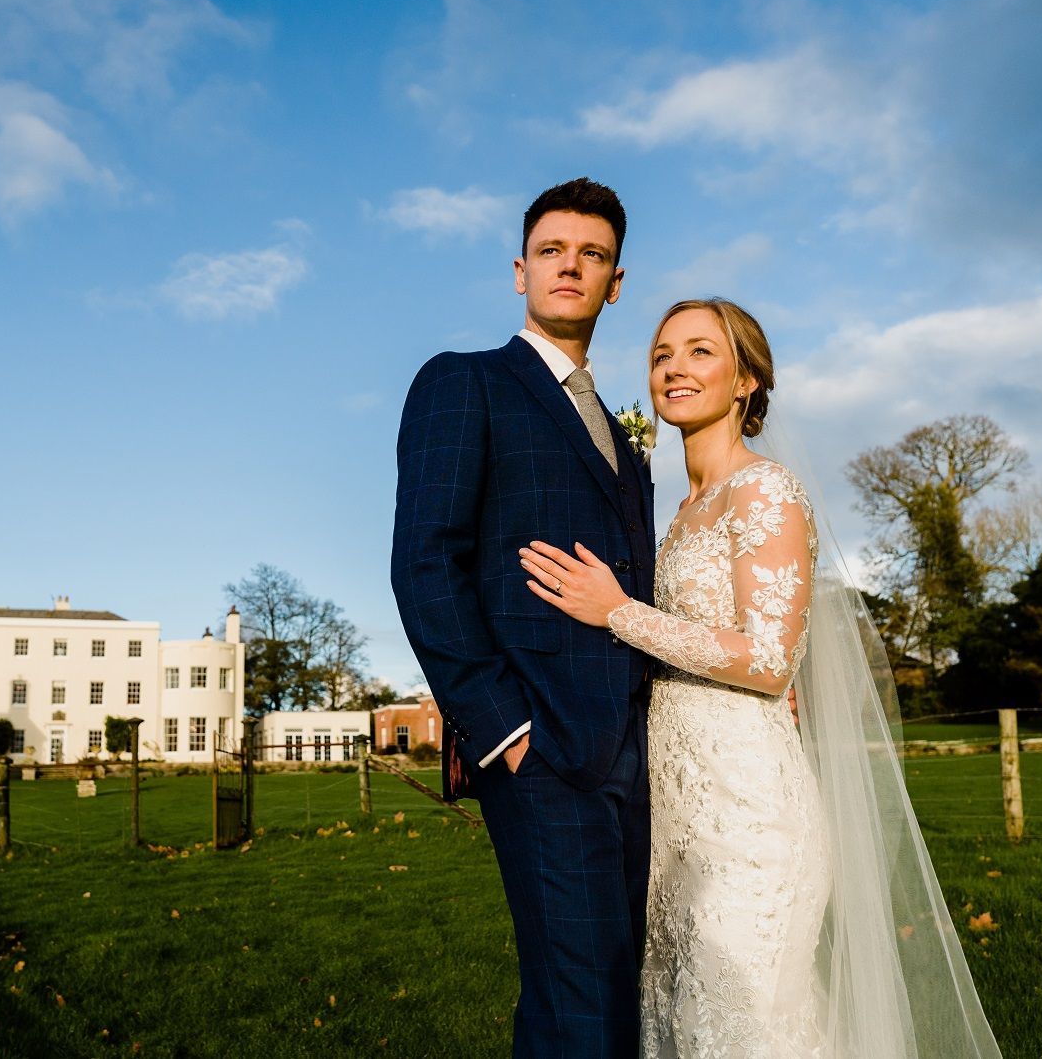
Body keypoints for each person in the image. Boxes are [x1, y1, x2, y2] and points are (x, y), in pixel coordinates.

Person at [518, 298, 1001, 1057]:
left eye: (701, 351)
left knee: (744, 1029)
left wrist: (617, 612)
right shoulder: (676, 514)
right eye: (662, 353)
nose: (675, 366)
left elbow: (771, 662)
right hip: (675, 822)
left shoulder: (766, 492)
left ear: (746, 380)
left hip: (750, 823)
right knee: (680, 1028)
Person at [391, 177, 656, 1056]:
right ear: (519, 271)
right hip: (539, 743)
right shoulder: (463, 383)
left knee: (599, 991)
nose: (570, 267)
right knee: (585, 1002)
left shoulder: (625, 442)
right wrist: (502, 725)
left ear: (616, 282)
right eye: (552, 251)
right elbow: (425, 561)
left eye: (592, 255)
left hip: (636, 750)